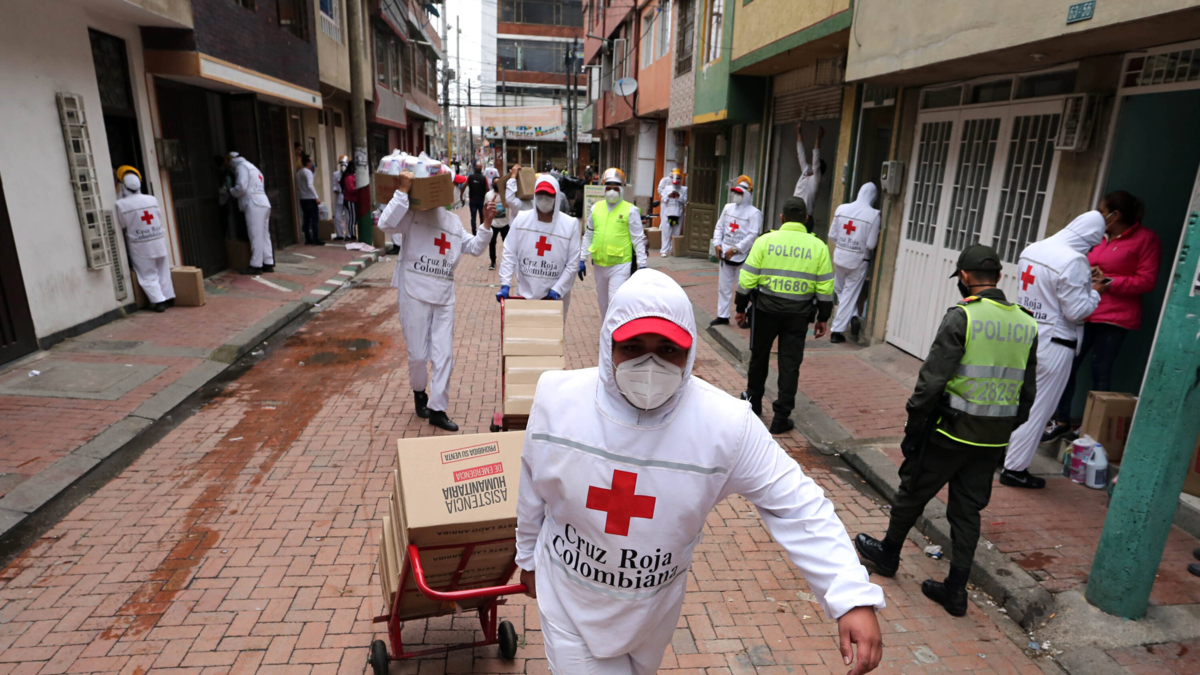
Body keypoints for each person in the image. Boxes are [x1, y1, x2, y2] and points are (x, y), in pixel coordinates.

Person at [515, 268, 885, 675]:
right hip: (571, 600)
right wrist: (528, 556)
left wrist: (850, 594)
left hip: (654, 609)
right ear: (608, 345)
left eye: (668, 350)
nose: (650, 365)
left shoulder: (725, 425)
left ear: (689, 353)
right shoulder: (558, 402)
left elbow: (796, 503)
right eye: (633, 346)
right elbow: (531, 483)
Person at [855, 244, 1038, 616]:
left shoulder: (963, 316)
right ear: (999, 276)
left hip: (950, 431)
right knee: (967, 511)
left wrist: (914, 426)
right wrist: (1005, 428)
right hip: (993, 437)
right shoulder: (1026, 322)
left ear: (965, 277)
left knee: (914, 489)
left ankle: (888, 554)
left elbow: (932, 380)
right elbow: (1028, 391)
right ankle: (955, 590)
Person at [377, 171, 494, 432]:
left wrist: (486, 224)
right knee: (418, 356)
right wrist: (402, 192)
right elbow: (385, 224)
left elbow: (474, 247)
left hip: (443, 296)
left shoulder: (453, 222)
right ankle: (419, 392)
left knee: (444, 355)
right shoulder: (412, 214)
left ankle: (438, 409)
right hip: (414, 293)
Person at [1001, 211, 1106, 488]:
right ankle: (1014, 468)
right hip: (1055, 342)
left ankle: (999, 453)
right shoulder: (1074, 260)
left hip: (1025, 333)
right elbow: (1077, 311)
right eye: (1092, 244)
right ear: (1090, 238)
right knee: (1038, 408)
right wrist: (1095, 291)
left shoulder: (1033, 249)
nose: (1090, 250)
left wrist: (1084, 282)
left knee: (1015, 401)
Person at [1046, 191, 1161, 442]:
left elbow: (1146, 280)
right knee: (1067, 365)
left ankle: (1091, 428)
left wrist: (1108, 281)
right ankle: (1061, 420)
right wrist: (1088, 270)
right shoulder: (1098, 235)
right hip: (1085, 310)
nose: (1098, 215)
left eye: (1101, 211)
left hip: (1115, 317)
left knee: (1100, 369)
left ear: (1115, 215)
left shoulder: (1145, 239)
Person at [735, 197, 832, 434]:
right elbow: (825, 286)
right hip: (798, 315)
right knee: (790, 364)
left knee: (759, 357)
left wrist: (740, 308)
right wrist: (823, 317)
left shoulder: (765, 240)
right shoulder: (818, 246)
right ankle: (781, 417)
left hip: (765, 311)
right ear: (806, 219)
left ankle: (753, 403)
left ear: (782, 218)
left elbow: (747, 278)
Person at [497, 174, 581, 314]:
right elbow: (509, 253)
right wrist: (505, 283)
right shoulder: (521, 220)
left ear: (556, 196)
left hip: (555, 299)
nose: (544, 199)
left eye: (548, 195)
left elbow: (572, 263)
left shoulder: (569, 225)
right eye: (540, 195)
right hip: (525, 295)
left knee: (551, 328)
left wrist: (557, 289)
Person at [582, 167, 648, 317]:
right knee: (602, 302)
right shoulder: (595, 208)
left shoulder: (630, 210)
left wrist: (642, 265)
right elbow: (589, 234)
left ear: (621, 190)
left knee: (615, 301)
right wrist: (582, 258)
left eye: (615, 188)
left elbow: (638, 239)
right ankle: (606, 328)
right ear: (604, 189)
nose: (612, 191)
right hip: (599, 264)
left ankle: (615, 330)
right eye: (609, 188)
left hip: (620, 264)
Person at [114, 166, 175, 312]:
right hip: (158, 240)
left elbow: (122, 225)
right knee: (163, 270)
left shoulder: (121, 204)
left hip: (140, 245)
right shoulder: (152, 199)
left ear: (123, 186)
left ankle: (159, 302)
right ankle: (168, 297)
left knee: (147, 274)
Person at [829, 183, 881, 343]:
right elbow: (871, 244)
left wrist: (845, 244)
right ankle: (836, 331)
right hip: (859, 260)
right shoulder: (874, 215)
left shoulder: (841, 209)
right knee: (849, 294)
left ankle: (852, 316)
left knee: (840, 290)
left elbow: (832, 235)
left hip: (840, 257)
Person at [711, 175, 763, 328]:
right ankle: (722, 316)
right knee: (723, 287)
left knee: (743, 287)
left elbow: (753, 235)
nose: (736, 195)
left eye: (740, 193)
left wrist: (736, 249)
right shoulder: (728, 208)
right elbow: (719, 227)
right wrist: (717, 244)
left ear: (747, 194)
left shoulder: (754, 213)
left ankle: (743, 316)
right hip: (725, 253)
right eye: (735, 192)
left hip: (743, 256)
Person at [227, 152, 274, 274]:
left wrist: (231, 191)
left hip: (254, 204)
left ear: (232, 159)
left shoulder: (241, 167)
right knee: (264, 235)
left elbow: (241, 187)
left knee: (255, 235)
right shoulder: (253, 167)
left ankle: (256, 265)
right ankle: (268, 262)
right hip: (264, 203)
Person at [793, 122, 826, 221]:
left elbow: (816, 159)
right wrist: (799, 133)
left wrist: (818, 139)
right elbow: (801, 155)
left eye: (815, 166)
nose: (812, 166)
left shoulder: (817, 179)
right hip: (793, 212)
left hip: (805, 216)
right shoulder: (805, 172)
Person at [657, 169, 687, 258]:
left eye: (678, 179)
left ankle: (673, 249)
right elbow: (663, 199)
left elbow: (685, 201)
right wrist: (668, 196)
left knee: (676, 233)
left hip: (678, 213)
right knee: (666, 232)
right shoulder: (667, 188)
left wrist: (679, 196)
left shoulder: (684, 189)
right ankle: (664, 250)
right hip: (667, 212)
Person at [295, 154, 322, 246]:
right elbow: (310, 185)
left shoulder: (298, 173)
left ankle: (308, 239)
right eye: (311, 161)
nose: (312, 163)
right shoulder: (308, 172)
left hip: (303, 198)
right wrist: (316, 197)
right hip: (310, 198)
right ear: (307, 162)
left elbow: (298, 186)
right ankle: (316, 239)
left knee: (306, 219)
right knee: (314, 219)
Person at [485, 178, 510, 271]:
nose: (497, 184)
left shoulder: (506, 194)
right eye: (495, 183)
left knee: (508, 244)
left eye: (498, 183)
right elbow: (486, 208)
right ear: (492, 184)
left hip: (505, 223)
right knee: (492, 243)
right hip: (493, 224)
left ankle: (508, 261)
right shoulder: (488, 195)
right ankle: (493, 262)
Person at [467, 162, 489, 235]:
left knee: (473, 216)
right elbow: (487, 189)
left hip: (472, 200)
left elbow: (464, 185)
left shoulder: (470, 177)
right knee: (482, 216)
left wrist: (461, 195)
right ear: (481, 169)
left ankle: (474, 232)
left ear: (474, 169)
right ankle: (481, 231)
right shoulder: (484, 178)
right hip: (481, 200)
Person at [332, 156, 349, 241]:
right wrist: (336, 190)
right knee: (337, 217)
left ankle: (349, 234)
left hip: (348, 198)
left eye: (344, 164)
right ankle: (340, 234)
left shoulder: (351, 175)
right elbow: (334, 185)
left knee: (348, 217)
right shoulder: (336, 174)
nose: (342, 166)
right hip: (339, 197)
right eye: (341, 164)